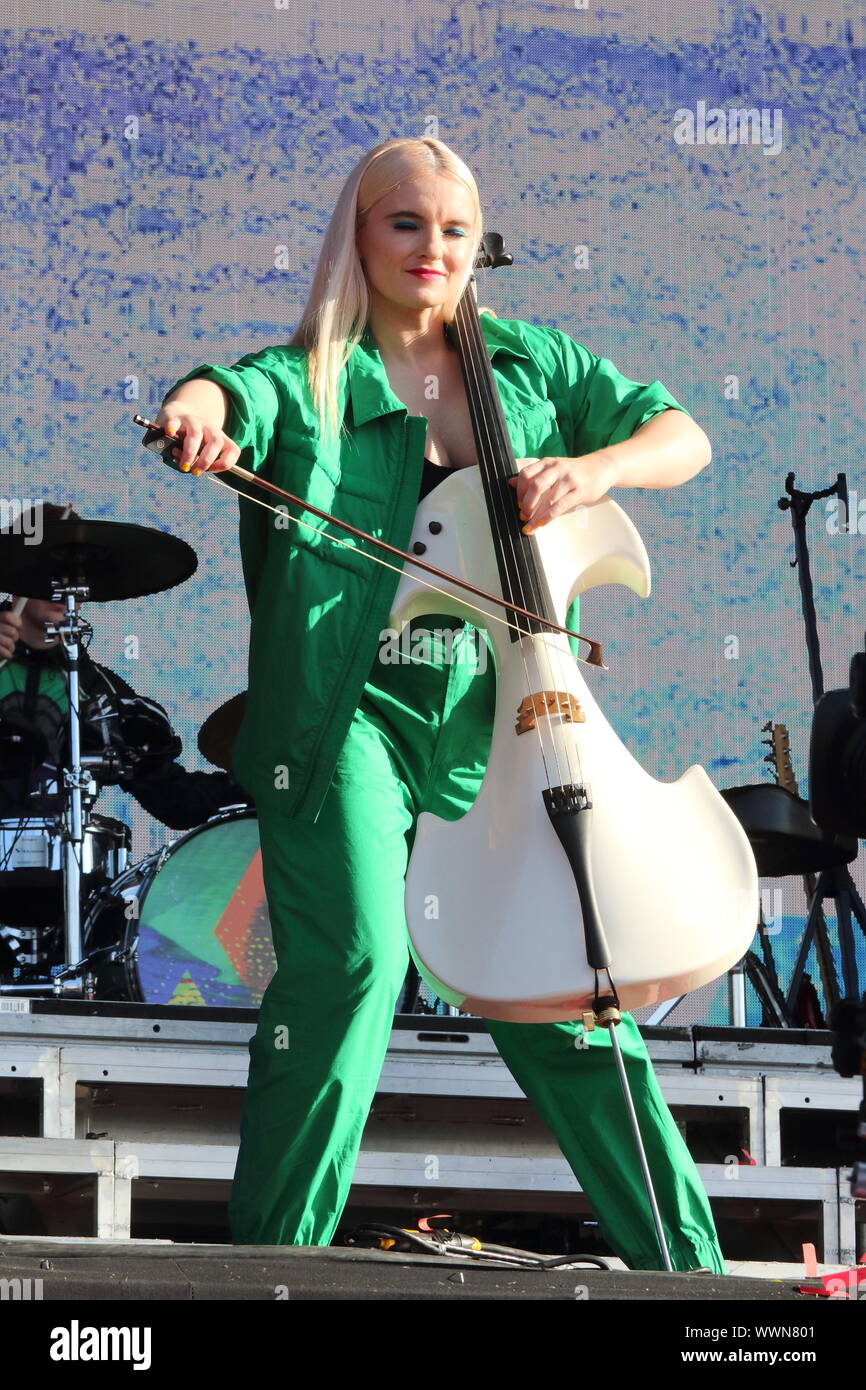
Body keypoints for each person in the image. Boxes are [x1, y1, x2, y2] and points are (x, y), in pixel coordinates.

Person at [154, 137, 725, 1272]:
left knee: (565, 983)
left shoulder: (529, 364)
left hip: (498, 717)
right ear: (356, 236)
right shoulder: (306, 378)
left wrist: (597, 470)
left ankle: (687, 1274)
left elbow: (682, 437)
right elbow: (222, 392)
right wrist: (191, 413)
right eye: (403, 224)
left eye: (453, 229)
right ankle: (275, 1269)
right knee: (355, 960)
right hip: (346, 711)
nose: (431, 248)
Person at [0, 506, 252, 830]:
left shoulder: (96, 691)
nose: (64, 582)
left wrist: (268, 789)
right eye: (49, 566)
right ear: (14, 570)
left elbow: (177, 801)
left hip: (64, 872)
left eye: (77, 572)